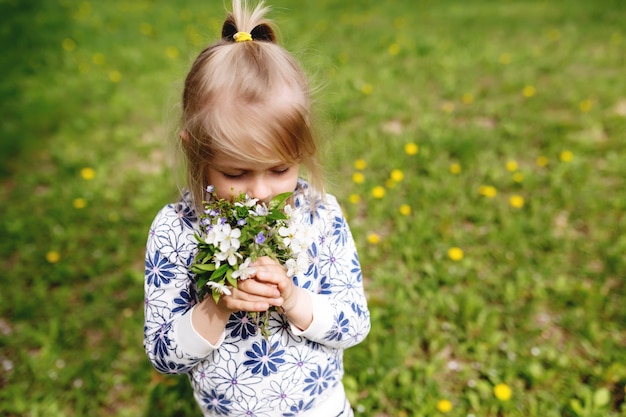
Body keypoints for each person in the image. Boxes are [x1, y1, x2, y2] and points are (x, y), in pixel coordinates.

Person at [143, 1, 370, 416]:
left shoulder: (318, 213)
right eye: (236, 174)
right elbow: (163, 355)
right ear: (196, 151)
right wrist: (216, 304)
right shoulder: (176, 230)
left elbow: (354, 324)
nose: (260, 192)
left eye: (280, 169)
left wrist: (294, 298)